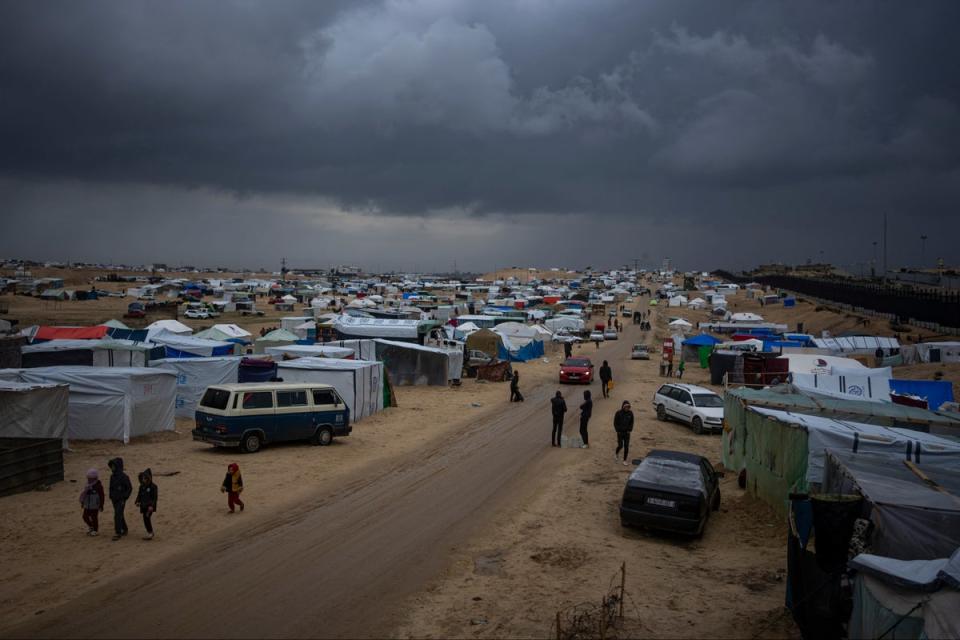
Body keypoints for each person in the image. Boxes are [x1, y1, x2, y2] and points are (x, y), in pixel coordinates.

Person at [107, 457, 132, 541]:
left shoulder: (124, 477)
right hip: (114, 499)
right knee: (119, 514)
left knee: (117, 515)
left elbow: (129, 488)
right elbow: (111, 487)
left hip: (121, 499)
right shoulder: (112, 476)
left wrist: (124, 497)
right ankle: (124, 529)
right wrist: (111, 495)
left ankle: (118, 532)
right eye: (112, 466)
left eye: (114, 466)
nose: (112, 468)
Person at [79, 468, 105, 536]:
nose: (88, 479)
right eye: (88, 478)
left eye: (90, 478)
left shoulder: (98, 486)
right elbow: (84, 495)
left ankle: (95, 530)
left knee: (94, 518)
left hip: (94, 505)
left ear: (94, 478)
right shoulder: (87, 485)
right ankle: (91, 526)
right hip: (87, 505)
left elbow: (102, 496)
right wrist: (82, 502)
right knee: (85, 516)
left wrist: (101, 505)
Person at [135, 468, 158, 540]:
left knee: (147, 517)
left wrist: (151, 506)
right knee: (145, 519)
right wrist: (137, 501)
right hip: (143, 506)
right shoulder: (141, 487)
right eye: (142, 478)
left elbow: (154, 498)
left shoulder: (153, 487)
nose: (143, 480)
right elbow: (139, 495)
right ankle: (149, 532)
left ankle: (150, 533)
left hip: (149, 506)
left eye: (145, 478)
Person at [613, 401, 634, 466]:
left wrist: (629, 430)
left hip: (627, 433)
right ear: (623, 406)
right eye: (626, 407)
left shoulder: (630, 413)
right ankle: (616, 453)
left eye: (628, 407)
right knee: (620, 445)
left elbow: (632, 422)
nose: (627, 408)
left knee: (626, 446)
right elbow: (615, 423)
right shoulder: (618, 413)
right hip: (620, 432)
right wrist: (617, 430)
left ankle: (624, 460)